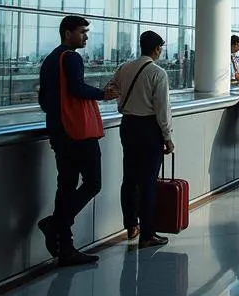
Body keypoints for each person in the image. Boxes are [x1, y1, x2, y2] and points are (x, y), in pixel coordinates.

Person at [37, 15, 117, 265]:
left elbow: (44, 100)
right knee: (93, 182)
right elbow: (76, 89)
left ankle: (66, 249)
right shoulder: (71, 57)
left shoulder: (50, 59)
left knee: (67, 186)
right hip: (77, 133)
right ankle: (55, 223)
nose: (86, 36)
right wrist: (104, 94)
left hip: (59, 131)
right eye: (82, 32)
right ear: (67, 32)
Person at [110, 30, 174, 248]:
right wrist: (167, 137)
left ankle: (131, 226)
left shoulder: (124, 68)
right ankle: (148, 233)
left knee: (129, 178)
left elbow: (111, 88)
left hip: (127, 125)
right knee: (147, 182)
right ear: (157, 48)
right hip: (148, 128)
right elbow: (162, 109)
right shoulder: (158, 73)